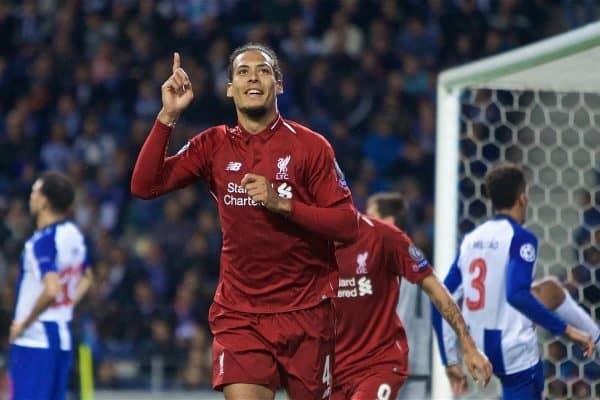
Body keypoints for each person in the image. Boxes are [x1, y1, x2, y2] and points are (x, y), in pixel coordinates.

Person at [130, 43, 358, 400]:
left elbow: (347, 226)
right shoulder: (213, 145)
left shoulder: (311, 148)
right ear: (229, 88)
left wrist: (283, 204)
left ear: (278, 85)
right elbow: (145, 185)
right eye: (242, 72)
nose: (253, 76)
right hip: (240, 315)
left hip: (307, 311)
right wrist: (167, 117)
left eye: (263, 70)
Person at [432, 163, 595, 399]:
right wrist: (567, 330)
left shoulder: (472, 239)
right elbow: (516, 294)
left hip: (477, 345)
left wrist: (451, 360)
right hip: (511, 349)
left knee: (549, 290)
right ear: (522, 197)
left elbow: (441, 297)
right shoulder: (521, 238)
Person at [332, 192, 492, 400]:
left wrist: (460, 351)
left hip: (389, 363)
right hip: (412, 364)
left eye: (371, 213)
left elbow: (414, 306)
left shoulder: (386, 256)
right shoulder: (405, 256)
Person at [9, 171, 93, 400]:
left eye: (35, 192)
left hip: (35, 338)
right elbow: (87, 276)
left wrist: (22, 324)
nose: (31, 197)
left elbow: (52, 289)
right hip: (62, 335)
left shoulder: (41, 242)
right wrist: (67, 305)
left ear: (45, 201)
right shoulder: (73, 234)